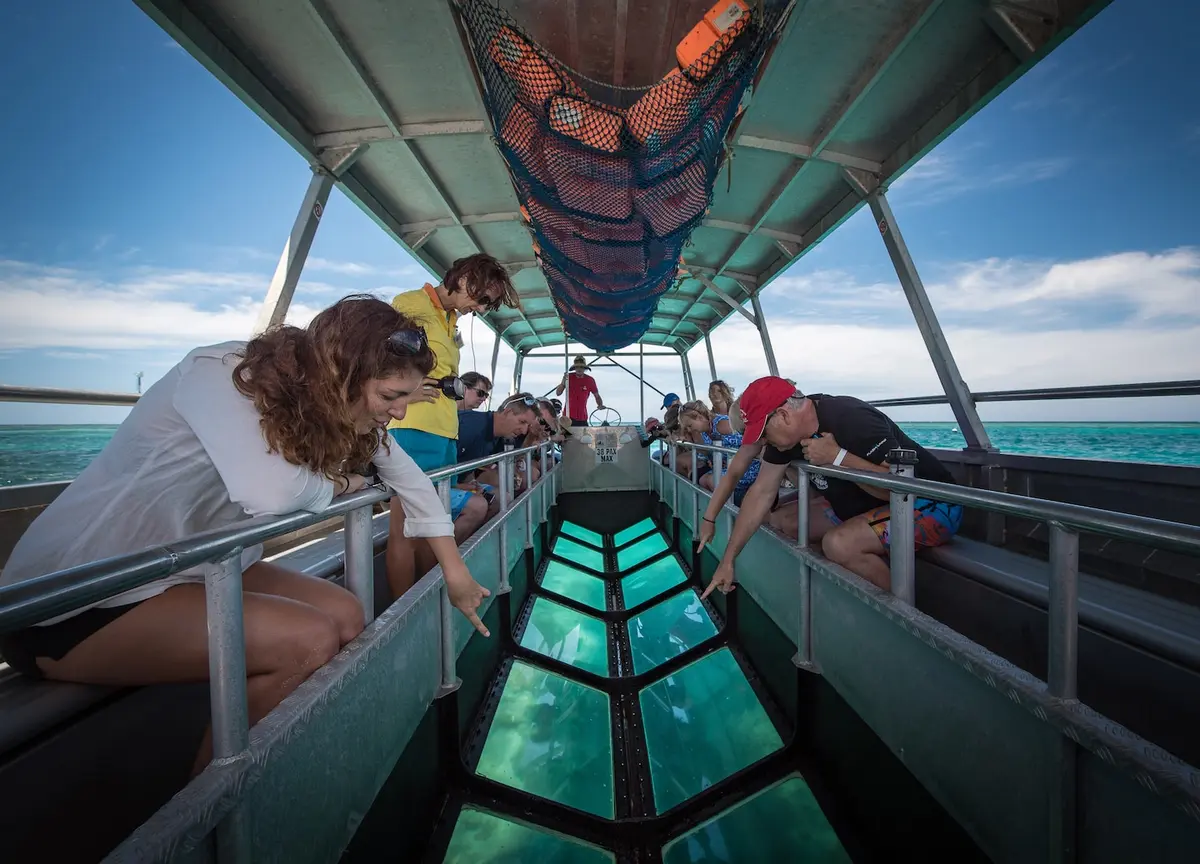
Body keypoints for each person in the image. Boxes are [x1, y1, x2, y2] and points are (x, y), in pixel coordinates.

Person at [0, 295, 491, 774]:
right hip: (79, 597)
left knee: (348, 613)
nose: (400, 413)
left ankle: (281, 767)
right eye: (391, 396)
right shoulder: (219, 373)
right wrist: (343, 483)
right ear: (342, 373)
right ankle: (215, 815)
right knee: (308, 639)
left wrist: (456, 574)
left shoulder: (341, 409)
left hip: (189, 566)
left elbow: (411, 483)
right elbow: (271, 493)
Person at [701, 377, 963, 596]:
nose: (763, 443)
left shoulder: (850, 417)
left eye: (763, 434)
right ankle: (832, 597)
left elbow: (898, 490)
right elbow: (761, 493)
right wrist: (728, 560)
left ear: (783, 415)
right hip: (865, 503)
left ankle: (904, 621)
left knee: (838, 544)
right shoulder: (785, 438)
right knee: (786, 523)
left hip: (931, 501)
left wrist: (838, 458)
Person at [385, 254, 520, 600]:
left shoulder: (449, 320)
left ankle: (427, 600)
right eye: (483, 298)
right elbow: (383, 358)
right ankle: (402, 611)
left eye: (488, 304)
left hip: (445, 433)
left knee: (435, 527)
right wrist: (407, 392)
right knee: (405, 530)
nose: (482, 308)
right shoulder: (410, 304)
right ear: (463, 278)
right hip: (413, 430)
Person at [678, 400, 760, 504]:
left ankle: (733, 508)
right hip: (730, 465)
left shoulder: (722, 424)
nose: (689, 430)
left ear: (699, 417)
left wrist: (736, 458)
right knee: (703, 480)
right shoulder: (704, 430)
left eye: (690, 425)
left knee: (713, 481)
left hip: (748, 465)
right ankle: (723, 508)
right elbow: (708, 453)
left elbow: (752, 441)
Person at [461, 395, 539, 492]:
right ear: (507, 412)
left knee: (503, 497)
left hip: (458, 484)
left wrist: (471, 482)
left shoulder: (496, 434)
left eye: (528, 425)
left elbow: (465, 465)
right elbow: (444, 465)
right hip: (445, 488)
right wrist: (460, 486)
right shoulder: (470, 426)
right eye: (522, 422)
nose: (524, 431)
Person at [555, 355, 603, 426]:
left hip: (582, 416)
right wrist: (563, 382)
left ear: (584, 368)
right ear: (574, 368)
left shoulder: (590, 380)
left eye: (581, 367)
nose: (579, 369)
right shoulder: (568, 377)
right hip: (568, 416)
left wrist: (600, 405)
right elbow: (558, 393)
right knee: (566, 432)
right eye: (577, 367)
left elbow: (597, 396)